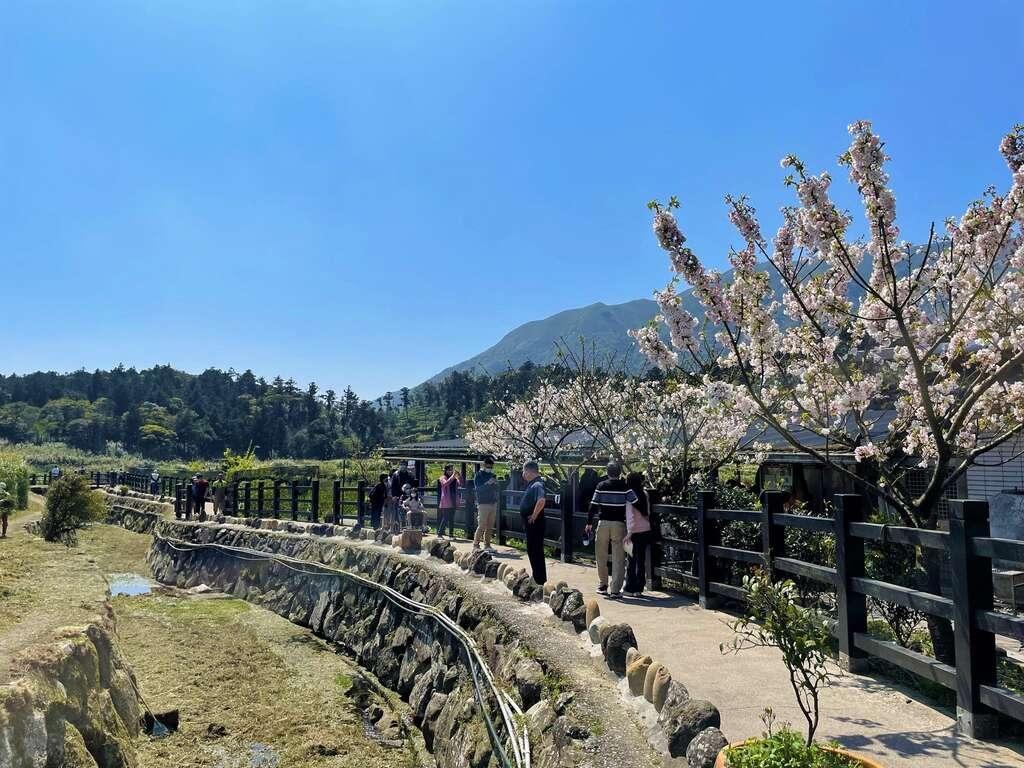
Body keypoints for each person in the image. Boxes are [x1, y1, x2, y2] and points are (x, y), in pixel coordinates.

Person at [585, 462, 637, 599]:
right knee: (618, 557)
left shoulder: (601, 486)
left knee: (600, 554)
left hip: (603, 523)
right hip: (619, 524)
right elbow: (635, 502)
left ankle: (603, 585)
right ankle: (615, 589)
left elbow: (593, 506)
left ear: (607, 472)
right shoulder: (625, 487)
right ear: (620, 473)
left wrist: (589, 523)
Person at [623, 471, 652, 598]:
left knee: (631, 560)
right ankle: (639, 588)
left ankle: (630, 586)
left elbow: (630, 516)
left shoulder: (630, 495)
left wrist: (629, 533)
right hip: (645, 530)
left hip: (634, 531)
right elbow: (648, 512)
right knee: (641, 561)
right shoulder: (644, 493)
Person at [519, 461, 547, 585]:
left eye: (524, 471)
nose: (523, 474)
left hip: (535, 523)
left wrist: (534, 515)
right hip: (532, 522)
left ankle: (539, 578)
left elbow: (541, 500)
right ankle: (537, 576)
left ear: (529, 471)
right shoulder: (533, 484)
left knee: (535, 550)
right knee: (533, 549)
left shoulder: (537, 484)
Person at [473, 458, 499, 552]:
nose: (490, 468)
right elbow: (478, 489)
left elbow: (497, 488)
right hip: (483, 502)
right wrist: (488, 483)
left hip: (492, 502)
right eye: (488, 466)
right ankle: (476, 545)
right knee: (482, 525)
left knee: (490, 525)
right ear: (484, 465)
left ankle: (487, 545)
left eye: (491, 466)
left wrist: (496, 484)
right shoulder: (478, 475)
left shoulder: (493, 475)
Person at [436, 465, 460, 540]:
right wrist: (453, 476)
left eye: (451, 470)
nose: (450, 471)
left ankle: (451, 535)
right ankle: (440, 534)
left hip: (453, 500)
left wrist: (458, 475)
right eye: (449, 470)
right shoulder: (442, 478)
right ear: (445, 471)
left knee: (452, 518)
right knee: (445, 518)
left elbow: (459, 483)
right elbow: (445, 484)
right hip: (446, 500)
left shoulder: (454, 478)